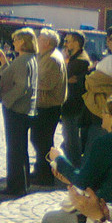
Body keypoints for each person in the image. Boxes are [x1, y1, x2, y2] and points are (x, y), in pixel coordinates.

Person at [42, 94, 112, 223]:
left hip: (105, 214)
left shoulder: (106, 142)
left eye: (104, 112)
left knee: (49, 219)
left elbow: (82, 181)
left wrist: (59, 159)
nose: (102, 115)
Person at [0, 27, 38, 196]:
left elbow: (22, 86)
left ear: (23, 41)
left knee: (14, 149)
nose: (13, 42)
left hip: (17, 109)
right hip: (25, 109)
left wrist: (7, 101)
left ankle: (15, 186)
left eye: (16, 39)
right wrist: (5, 63)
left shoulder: (23, 60)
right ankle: (23, 183)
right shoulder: (29, 58)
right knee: (21, 148)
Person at [31, 28, 68, 187]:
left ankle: (45, 175)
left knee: (43, 141)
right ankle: (40, 171)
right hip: (43, 105)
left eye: (39, 38)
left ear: (46, 42)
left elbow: (46, 83)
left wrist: (27, 82)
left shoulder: (52, 58)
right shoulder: (45, 56)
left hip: (48, 107)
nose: (37, 40)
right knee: (38, 139)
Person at [60, 31, 91, 166]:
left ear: (76, 43)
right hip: (71, 103)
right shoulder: (74, 58)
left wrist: (67, 77)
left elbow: (62, 77)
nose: (65, 44)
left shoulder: (80, 60)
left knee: (71, 138)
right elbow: (67, 78)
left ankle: (74, 167)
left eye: (68, 41)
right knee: (69, 137)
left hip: (73, 104)